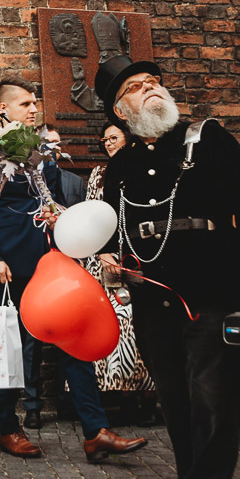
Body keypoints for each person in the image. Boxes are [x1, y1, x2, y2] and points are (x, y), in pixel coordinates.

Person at [95, 56, 240, 479]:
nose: (150, 89)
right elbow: (113, 230)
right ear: (120, 110)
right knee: (175, 401)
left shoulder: (208, 139)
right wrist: (105, 252)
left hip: (209, 290)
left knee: (213, 399)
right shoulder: (122, 166)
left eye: (154, 82)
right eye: (136, 87)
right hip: (151, 300)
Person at [0, 78, 143, 460]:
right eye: (25, 103)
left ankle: (95, 432)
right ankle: (8, 428)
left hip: (55, 261)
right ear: (2, 110)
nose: (33, 109)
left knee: (74, 340)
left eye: (35, 103)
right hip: (11, 267)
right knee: (10, 347)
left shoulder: (45, 152)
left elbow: (59, 203)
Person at [82, 121, 157, 424]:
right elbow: (90, 214)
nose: (108, 143)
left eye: (113, 137)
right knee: (119, 325)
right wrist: (102, 252)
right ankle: (124, 397)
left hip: (143, 255)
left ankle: (150, 397)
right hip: (108, 257)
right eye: (104, 140)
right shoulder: (99, 175)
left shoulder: (146, 169)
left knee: (145, 325)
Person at [37, 125, 85, 207]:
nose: (51, 147)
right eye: (45, 142)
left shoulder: (76, 182)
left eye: (56, 143)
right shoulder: (21, 179)